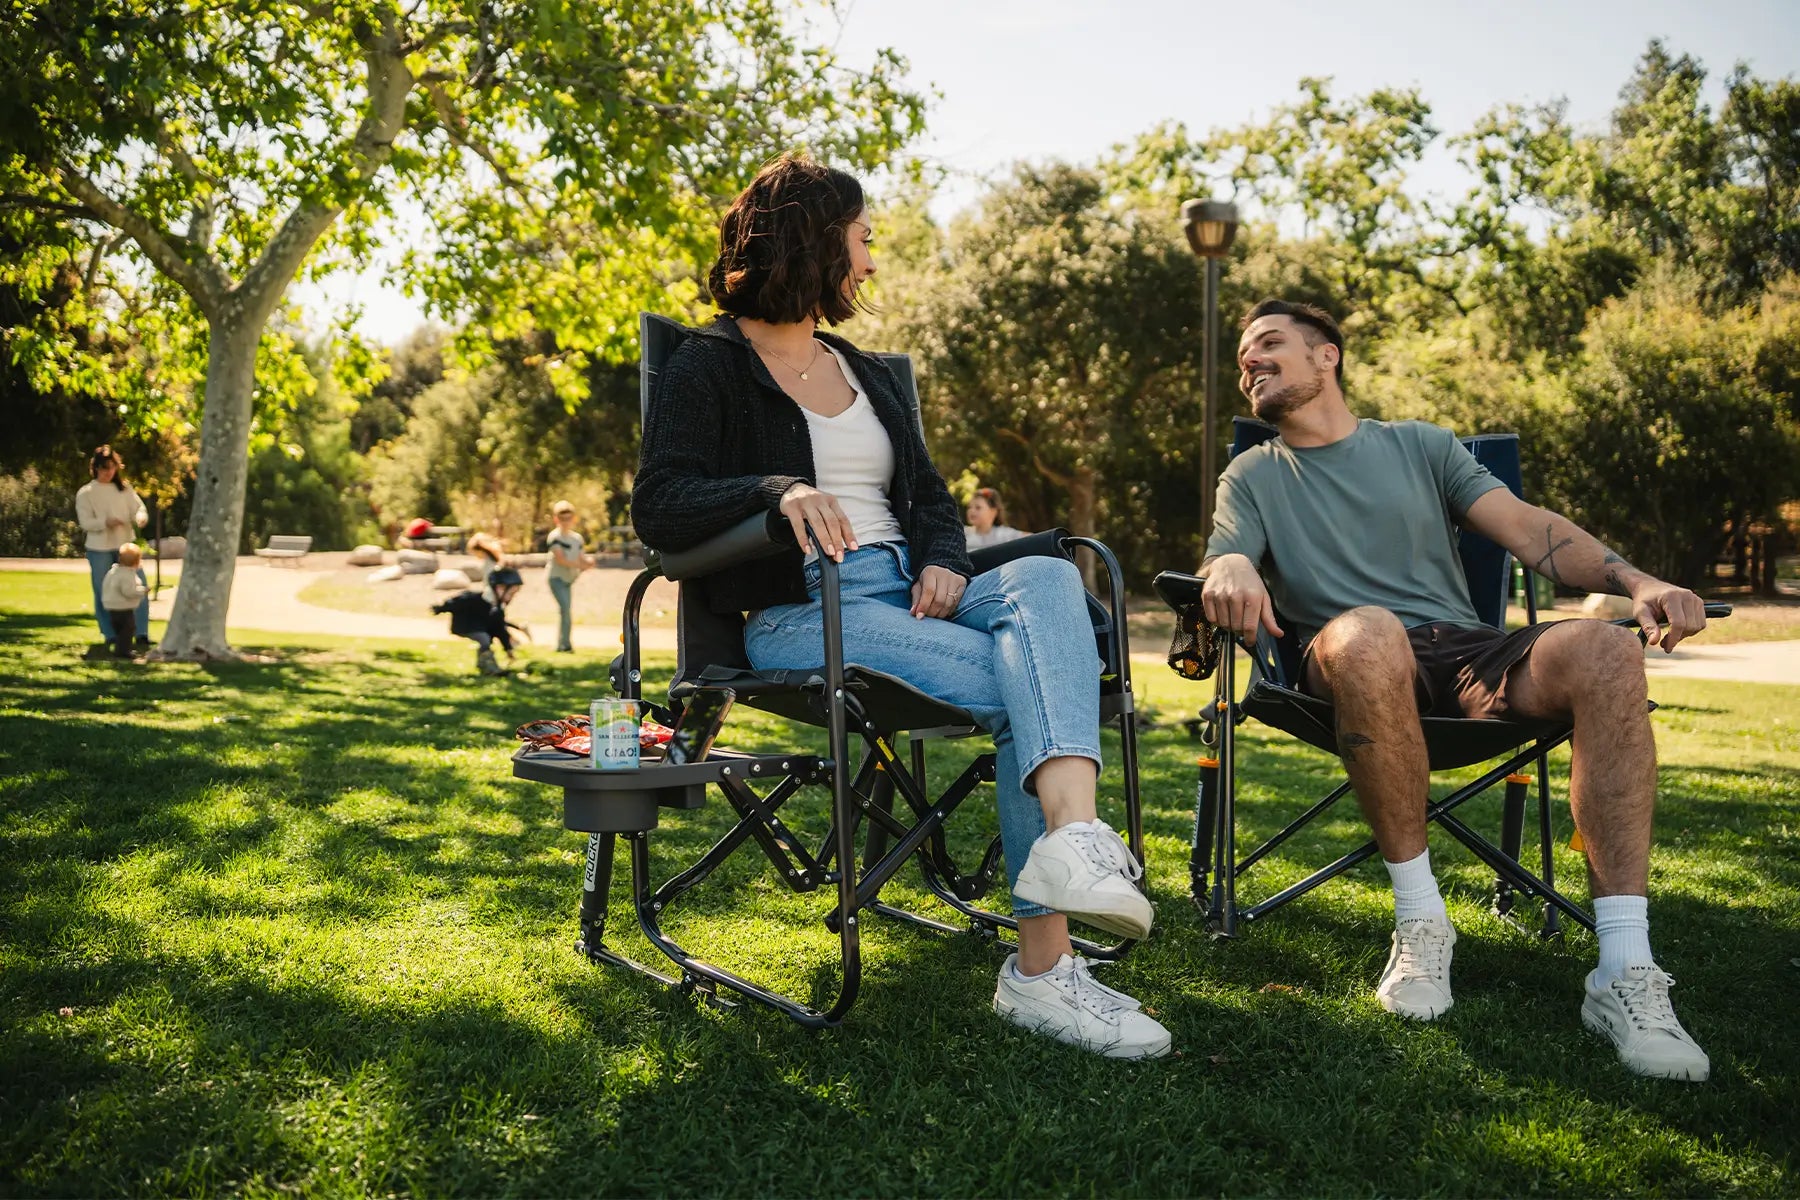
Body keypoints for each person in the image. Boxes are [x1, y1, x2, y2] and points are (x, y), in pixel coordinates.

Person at [633, 153, 1169, 1059]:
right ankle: (1042, 971)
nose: (871, 262)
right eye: (863, 239)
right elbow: (660, 501)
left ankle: (1070, 842)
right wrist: (779, 492)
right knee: (1025, 695)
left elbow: (929, 498)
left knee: (1045, 578)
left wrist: (947, 561)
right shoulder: (707, 364)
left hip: (917, 598)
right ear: (811, 240)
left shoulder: (867, 372)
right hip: (806, 610)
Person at [1199, 297, 1713, 1081]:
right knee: (1369, 630)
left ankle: (1624, 967)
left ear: (1327, 356)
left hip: (1466, 653)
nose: (1250, 364)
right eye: (1243, 358)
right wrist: (1230, 565)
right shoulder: (1252, 473)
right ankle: (1421, 921)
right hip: (1344, 660)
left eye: (1268, 344)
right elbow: (1226, 554)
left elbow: (1529, 529)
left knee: (1608, 652)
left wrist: (1637, 578)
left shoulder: (1419, 446)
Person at [75, 444, 150, 649]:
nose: (108, 472)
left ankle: (141, 632)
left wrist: (139, 518)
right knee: (103, 590)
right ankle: (110, 633)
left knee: (138, 586)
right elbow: (85, 522)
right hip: (99, 548)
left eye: (112, 468)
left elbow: (139, 508)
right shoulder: (86, 493)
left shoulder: (124, 489)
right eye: (104, 468)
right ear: (96, 468)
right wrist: (104, 523)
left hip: (125, 546)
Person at [433, 566, 526, 676]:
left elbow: (500, 629)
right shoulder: (477, 599)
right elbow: (458, 601)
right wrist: (441, 608)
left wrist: (508, 649)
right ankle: (489, 668)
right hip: (465, 626)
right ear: (499, 588)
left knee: (487, 638)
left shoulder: (497, 608)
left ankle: (484, 665)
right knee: (484, 639)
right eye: (511, 593)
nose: (512, 597)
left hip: (482, 628)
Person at [544, 501, 592, 653]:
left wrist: (588, 563)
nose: (566, 522)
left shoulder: (577, 539)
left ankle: (563, 643)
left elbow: (580, 558)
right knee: (565, 609)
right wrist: (580, 565)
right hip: (556, 578)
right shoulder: (554, 537)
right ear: (556, 519)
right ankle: (564, 644)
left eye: (568, 518)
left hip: (569, 579)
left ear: (574, 519)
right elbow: (561, 560)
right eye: (562, 518)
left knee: (565, 610)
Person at [101, 543, 150, 659]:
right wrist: (142, 591)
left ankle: (120, 648)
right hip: (123, 606)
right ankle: (123, 651)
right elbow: (128, 592)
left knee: (119, 630)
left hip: (112, 606)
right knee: (128, 629)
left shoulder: (113, 572)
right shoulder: (127, 575)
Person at [964, 487, 1026, 551]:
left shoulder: (1004, 534)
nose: (971, 511)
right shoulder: (963, 534)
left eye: (978, 507)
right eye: (969, 507)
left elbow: (1031, 539)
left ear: (993, 512)